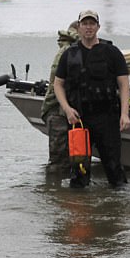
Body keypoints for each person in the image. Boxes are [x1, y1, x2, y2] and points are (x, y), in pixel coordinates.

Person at [54, 10, 130, 188]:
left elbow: (124, 84)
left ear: (98, 27)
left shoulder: (112, 52)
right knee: (79, 171)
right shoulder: (69, 54)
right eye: (85, 24)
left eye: (92, 23)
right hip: (79, 120)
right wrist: (66, 109)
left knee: (114, 169)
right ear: (79, 27)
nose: (88, 27)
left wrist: (125, 114)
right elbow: (58, 85)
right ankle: (80, 211)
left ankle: (117, 209)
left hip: (107, 117)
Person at [40, 20, 79, 172]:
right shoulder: (67, 52)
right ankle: (54, 191)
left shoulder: (70, 49)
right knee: (59, 162)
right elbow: (59, 85)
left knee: (73, 159)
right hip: (57, 112)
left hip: (66, 111)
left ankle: (60, 192)